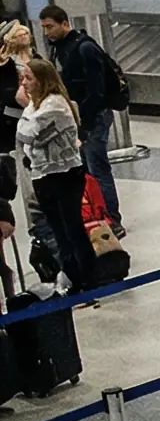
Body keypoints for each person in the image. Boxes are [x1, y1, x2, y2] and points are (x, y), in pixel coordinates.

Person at [15, 56, 98, 291]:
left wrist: (27, 125)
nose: (24, 83)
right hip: (43, 175)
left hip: (64, 175)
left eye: (29, 78)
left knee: (72, 230)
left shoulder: (55, 105)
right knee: (58, 232)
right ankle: (72, 278)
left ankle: (88, 281)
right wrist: (27, 125)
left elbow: (27, 135)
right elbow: (24, 134)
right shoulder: (35, 105)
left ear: (43, 81)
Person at [40, 5, 122, 236]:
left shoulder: (85, 48)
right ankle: (95, 214)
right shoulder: (60, 48)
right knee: (86, 168)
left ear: (65, 23)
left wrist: (83, 120)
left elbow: (97, 89)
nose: (47, 32)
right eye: (44, 27)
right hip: (78, 116)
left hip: (93, 116)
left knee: (98, 168)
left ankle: (112, 218)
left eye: (50, 26)